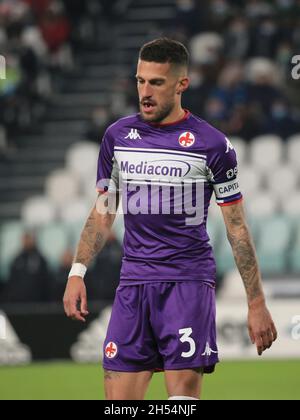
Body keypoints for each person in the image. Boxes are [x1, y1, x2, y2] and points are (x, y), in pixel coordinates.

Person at [63, 38, 277, 401]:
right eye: (140, 81)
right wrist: (77, 272)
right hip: (132, 285)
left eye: (156, 83)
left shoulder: (212, 145)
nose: (145, 92)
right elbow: (103, 212)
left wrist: (255, 302)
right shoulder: (117, 137)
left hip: (187, 285)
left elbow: (236, 227)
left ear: (182, 85)